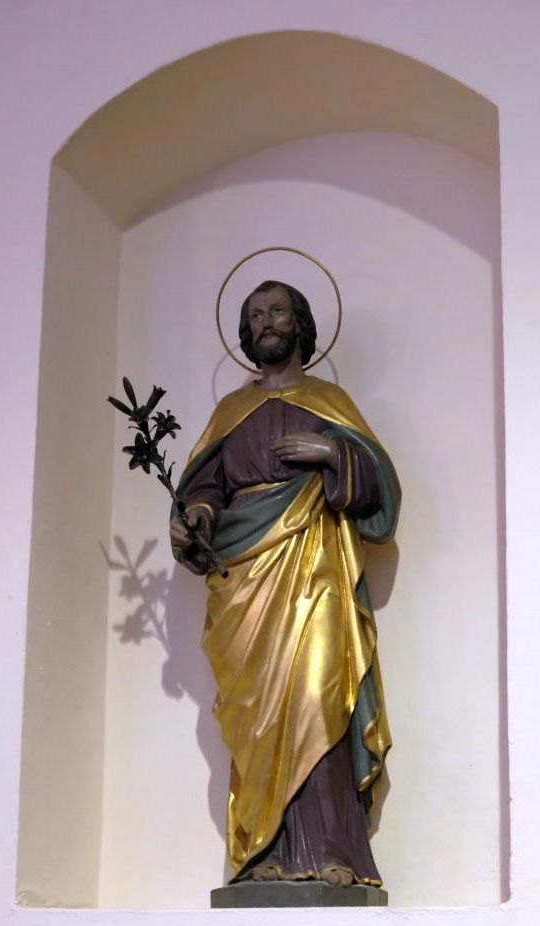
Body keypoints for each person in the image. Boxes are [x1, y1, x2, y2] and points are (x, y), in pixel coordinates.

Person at [170, 280, 401, 887]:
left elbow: (379, 489)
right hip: (246, 579)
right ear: (246, 332)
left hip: (316, 564)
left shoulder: (329, 401)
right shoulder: (230, 412)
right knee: (258, 713)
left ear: (299, 322)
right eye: (255, 315)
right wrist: (196, 519)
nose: (266, 322)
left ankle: (333, 850)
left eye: (277, 311)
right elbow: (204, 491)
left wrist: (332, 454)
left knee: (319, 693)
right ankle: (261, 853)